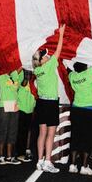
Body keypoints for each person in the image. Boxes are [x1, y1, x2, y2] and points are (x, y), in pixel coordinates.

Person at [33, 23, 66, 173]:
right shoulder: (48, 66)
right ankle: (47, 161)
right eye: (45, 55)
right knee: (51, 133)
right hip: (51, 102)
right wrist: (61, 34)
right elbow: (59, 50)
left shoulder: (37, 70)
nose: (48, 56)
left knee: (42, 132)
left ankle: (40, 161)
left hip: (41, 103)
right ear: (41, 60)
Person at [68, 62, 92, 176]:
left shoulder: (72, 76)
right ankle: (84, 166)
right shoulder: (90, 74)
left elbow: (69, 70)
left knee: (76, 136)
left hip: (76, 109)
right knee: (88, 138)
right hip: (90, 110)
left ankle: (72, 165)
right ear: (86, 67)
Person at [0, 69, 21, 165]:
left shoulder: (14, 75)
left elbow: (19, 68)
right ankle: (1, 156)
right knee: (3, 130)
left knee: (12, 131)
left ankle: (10, 156)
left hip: (14, 105)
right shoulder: (1, 74)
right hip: (3, 105)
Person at [15, 71, 36, 162]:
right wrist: (26, 74)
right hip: (21, 108)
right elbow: (23, 83)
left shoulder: (34, 81)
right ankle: (20, 153)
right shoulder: (21, 78)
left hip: (30, 109)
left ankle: (26, 150)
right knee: (21, 132)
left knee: (28, 130)